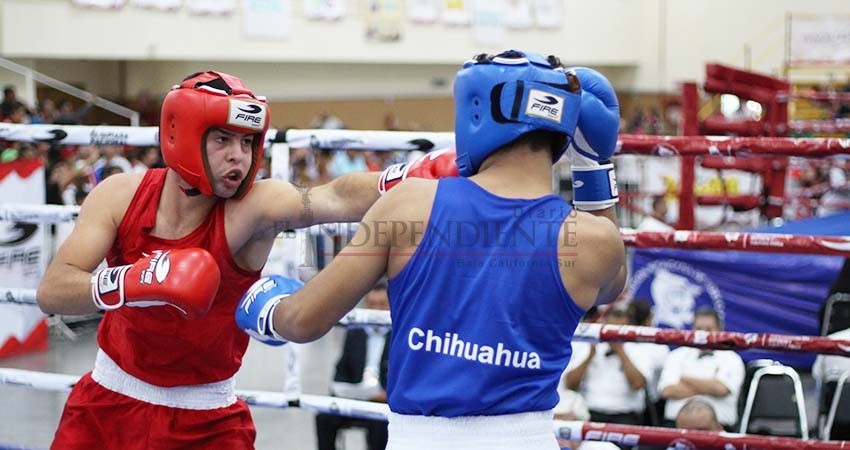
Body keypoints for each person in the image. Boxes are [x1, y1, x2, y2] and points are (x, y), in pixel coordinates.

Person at [35, 70, 457, 449]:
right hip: (106, 404)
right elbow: (53, 291)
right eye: (223, 139)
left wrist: (417, 174)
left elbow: (335, 197)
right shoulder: (119, 195)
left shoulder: (253, 206)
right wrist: (130, 282)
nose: (239, 155)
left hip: (208, 422)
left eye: (247, 141)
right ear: (180, 135)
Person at [237, 50, 627, 450]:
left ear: (475, 113)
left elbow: (302, 321)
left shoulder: (410, 205)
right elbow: (611, 286)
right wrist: (592, 164)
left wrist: (266, 308)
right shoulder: (595, 242)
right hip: (529, 438)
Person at [315, 280, 391, 450]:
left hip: (383, 403)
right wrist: (345, 390)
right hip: (355, 398)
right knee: (323, 418)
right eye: (372, 305)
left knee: (380, 425)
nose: (377, 310)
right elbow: (340, 373)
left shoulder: (399, 337)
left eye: (382, 305)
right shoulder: (355, 334)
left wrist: (386, 395)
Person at [657, 307, 745, 430]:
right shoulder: (677, 355)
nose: (703, 334)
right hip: (675, 426)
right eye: (698, 329)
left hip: (719, 427)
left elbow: (721, 389)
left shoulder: (732, 358)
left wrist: (684, 379)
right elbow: (667, 391)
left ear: (719, 330)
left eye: (709, 329)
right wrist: (709, 386)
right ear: (692, 329)